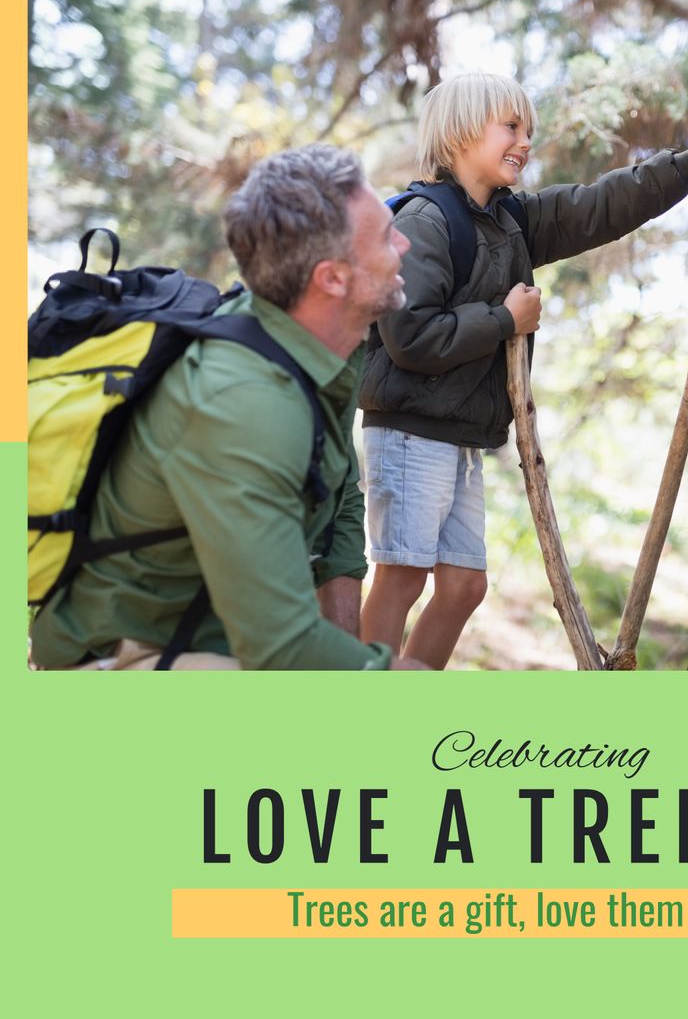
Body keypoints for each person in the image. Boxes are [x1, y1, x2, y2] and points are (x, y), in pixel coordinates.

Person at [359, 73, 688, 668]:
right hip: (408, 430)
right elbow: (409, 338)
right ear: (459, 133)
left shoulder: (511, 221)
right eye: (511, 127)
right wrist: (503, 318)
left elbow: (601, 204)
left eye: (528, 130)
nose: (525, 141)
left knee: (464, 587)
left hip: (458, 436)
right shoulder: (423, 221)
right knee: (402, 577)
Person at [31, 144, 420, 670]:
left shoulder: (310, 355)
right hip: (119, 658)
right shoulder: (241, 400)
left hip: (205, 637)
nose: (405, 243)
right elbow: (284, 649)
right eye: (383, 237)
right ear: (332, 278)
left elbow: (339, 492)